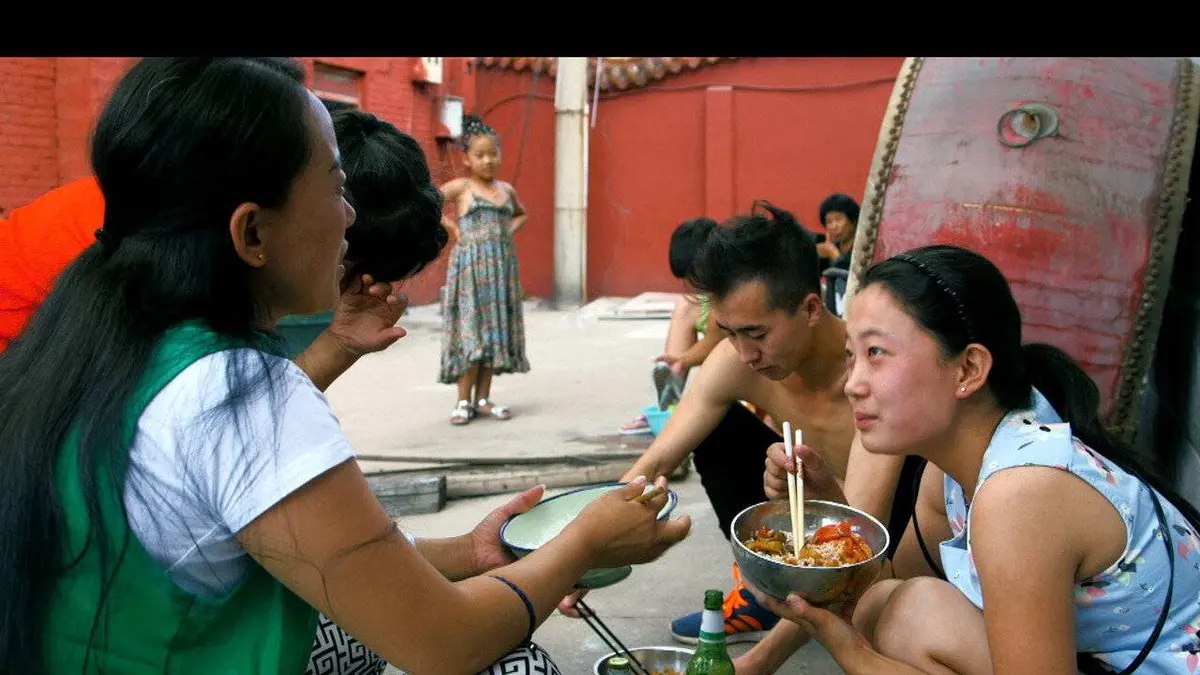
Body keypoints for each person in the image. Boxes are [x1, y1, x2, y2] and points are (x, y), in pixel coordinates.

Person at [0, 57, 691, 675]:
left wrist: (473, 551)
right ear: (251, 232)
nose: (347, 214)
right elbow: (445, 643)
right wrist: (582, 544)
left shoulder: (93, 328)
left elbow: (269, 514)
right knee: (514, 663)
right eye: (334, 187)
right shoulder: (237, 395)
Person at [751, 243, 1200, 674]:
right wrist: (826, 500)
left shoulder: (1020, 495)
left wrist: (852, 654)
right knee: (896, 608)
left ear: (968, 370)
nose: (853, 383)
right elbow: (881, 584)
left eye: (876, 353)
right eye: (852, 356)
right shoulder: (953, 473)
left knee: (914, 614)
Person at [614, 200, 926, 650]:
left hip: (882, 530)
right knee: (717, 432)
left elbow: (852, 547)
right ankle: (762, 586)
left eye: (757, 334)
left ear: (812, 308)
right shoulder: (737, 360)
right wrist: (584, 555)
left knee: (871, 594)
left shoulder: (872, 379)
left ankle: (819, 604)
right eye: (729, 332)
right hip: (812, 508)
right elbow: (658, 458)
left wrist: (759, 663)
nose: (744, 353)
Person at [439, 114, 531, 425]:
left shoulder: (506, 189)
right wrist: (453, 228)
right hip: (470, 270)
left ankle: (483, 399)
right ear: (466, 158)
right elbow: (428, 203)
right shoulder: (462, 187)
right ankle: (462, 401)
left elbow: (521, 215)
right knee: (472, 333)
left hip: (501, 270)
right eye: (480, 154)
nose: (488, 160)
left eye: (493, 153)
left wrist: (506, 232)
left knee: (493, 334)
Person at [621, 216, 722, 435]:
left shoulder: (733, 289)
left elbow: (718, 339)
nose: (691, 285)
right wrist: (677, 362)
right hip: (714, 357)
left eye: (694, 277)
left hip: (746, 369)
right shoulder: (698, 298)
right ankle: (667, 405)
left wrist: (683, 360)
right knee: (685, 305)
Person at [815, 192, 859, 272]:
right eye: (829, 221)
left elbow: (852, 279)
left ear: (853, 220)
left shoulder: (862, 246)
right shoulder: (833, 246)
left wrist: (834, 254)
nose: (834, 226)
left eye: (838, 219)